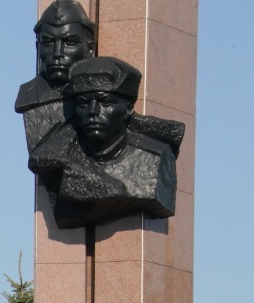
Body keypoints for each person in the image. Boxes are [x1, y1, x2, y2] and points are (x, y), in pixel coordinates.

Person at [27, 56, 178, 228]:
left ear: (128, 108)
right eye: (83, 103)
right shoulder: (54, 160)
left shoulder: (154, 159)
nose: (93, 111)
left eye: (105, 102)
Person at [14, 0, 97, 152]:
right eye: (48, 43)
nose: (58, 53)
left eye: (69, 42)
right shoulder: (28, 95)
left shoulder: (100, 102)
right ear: (37, 46)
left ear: (90, 46)